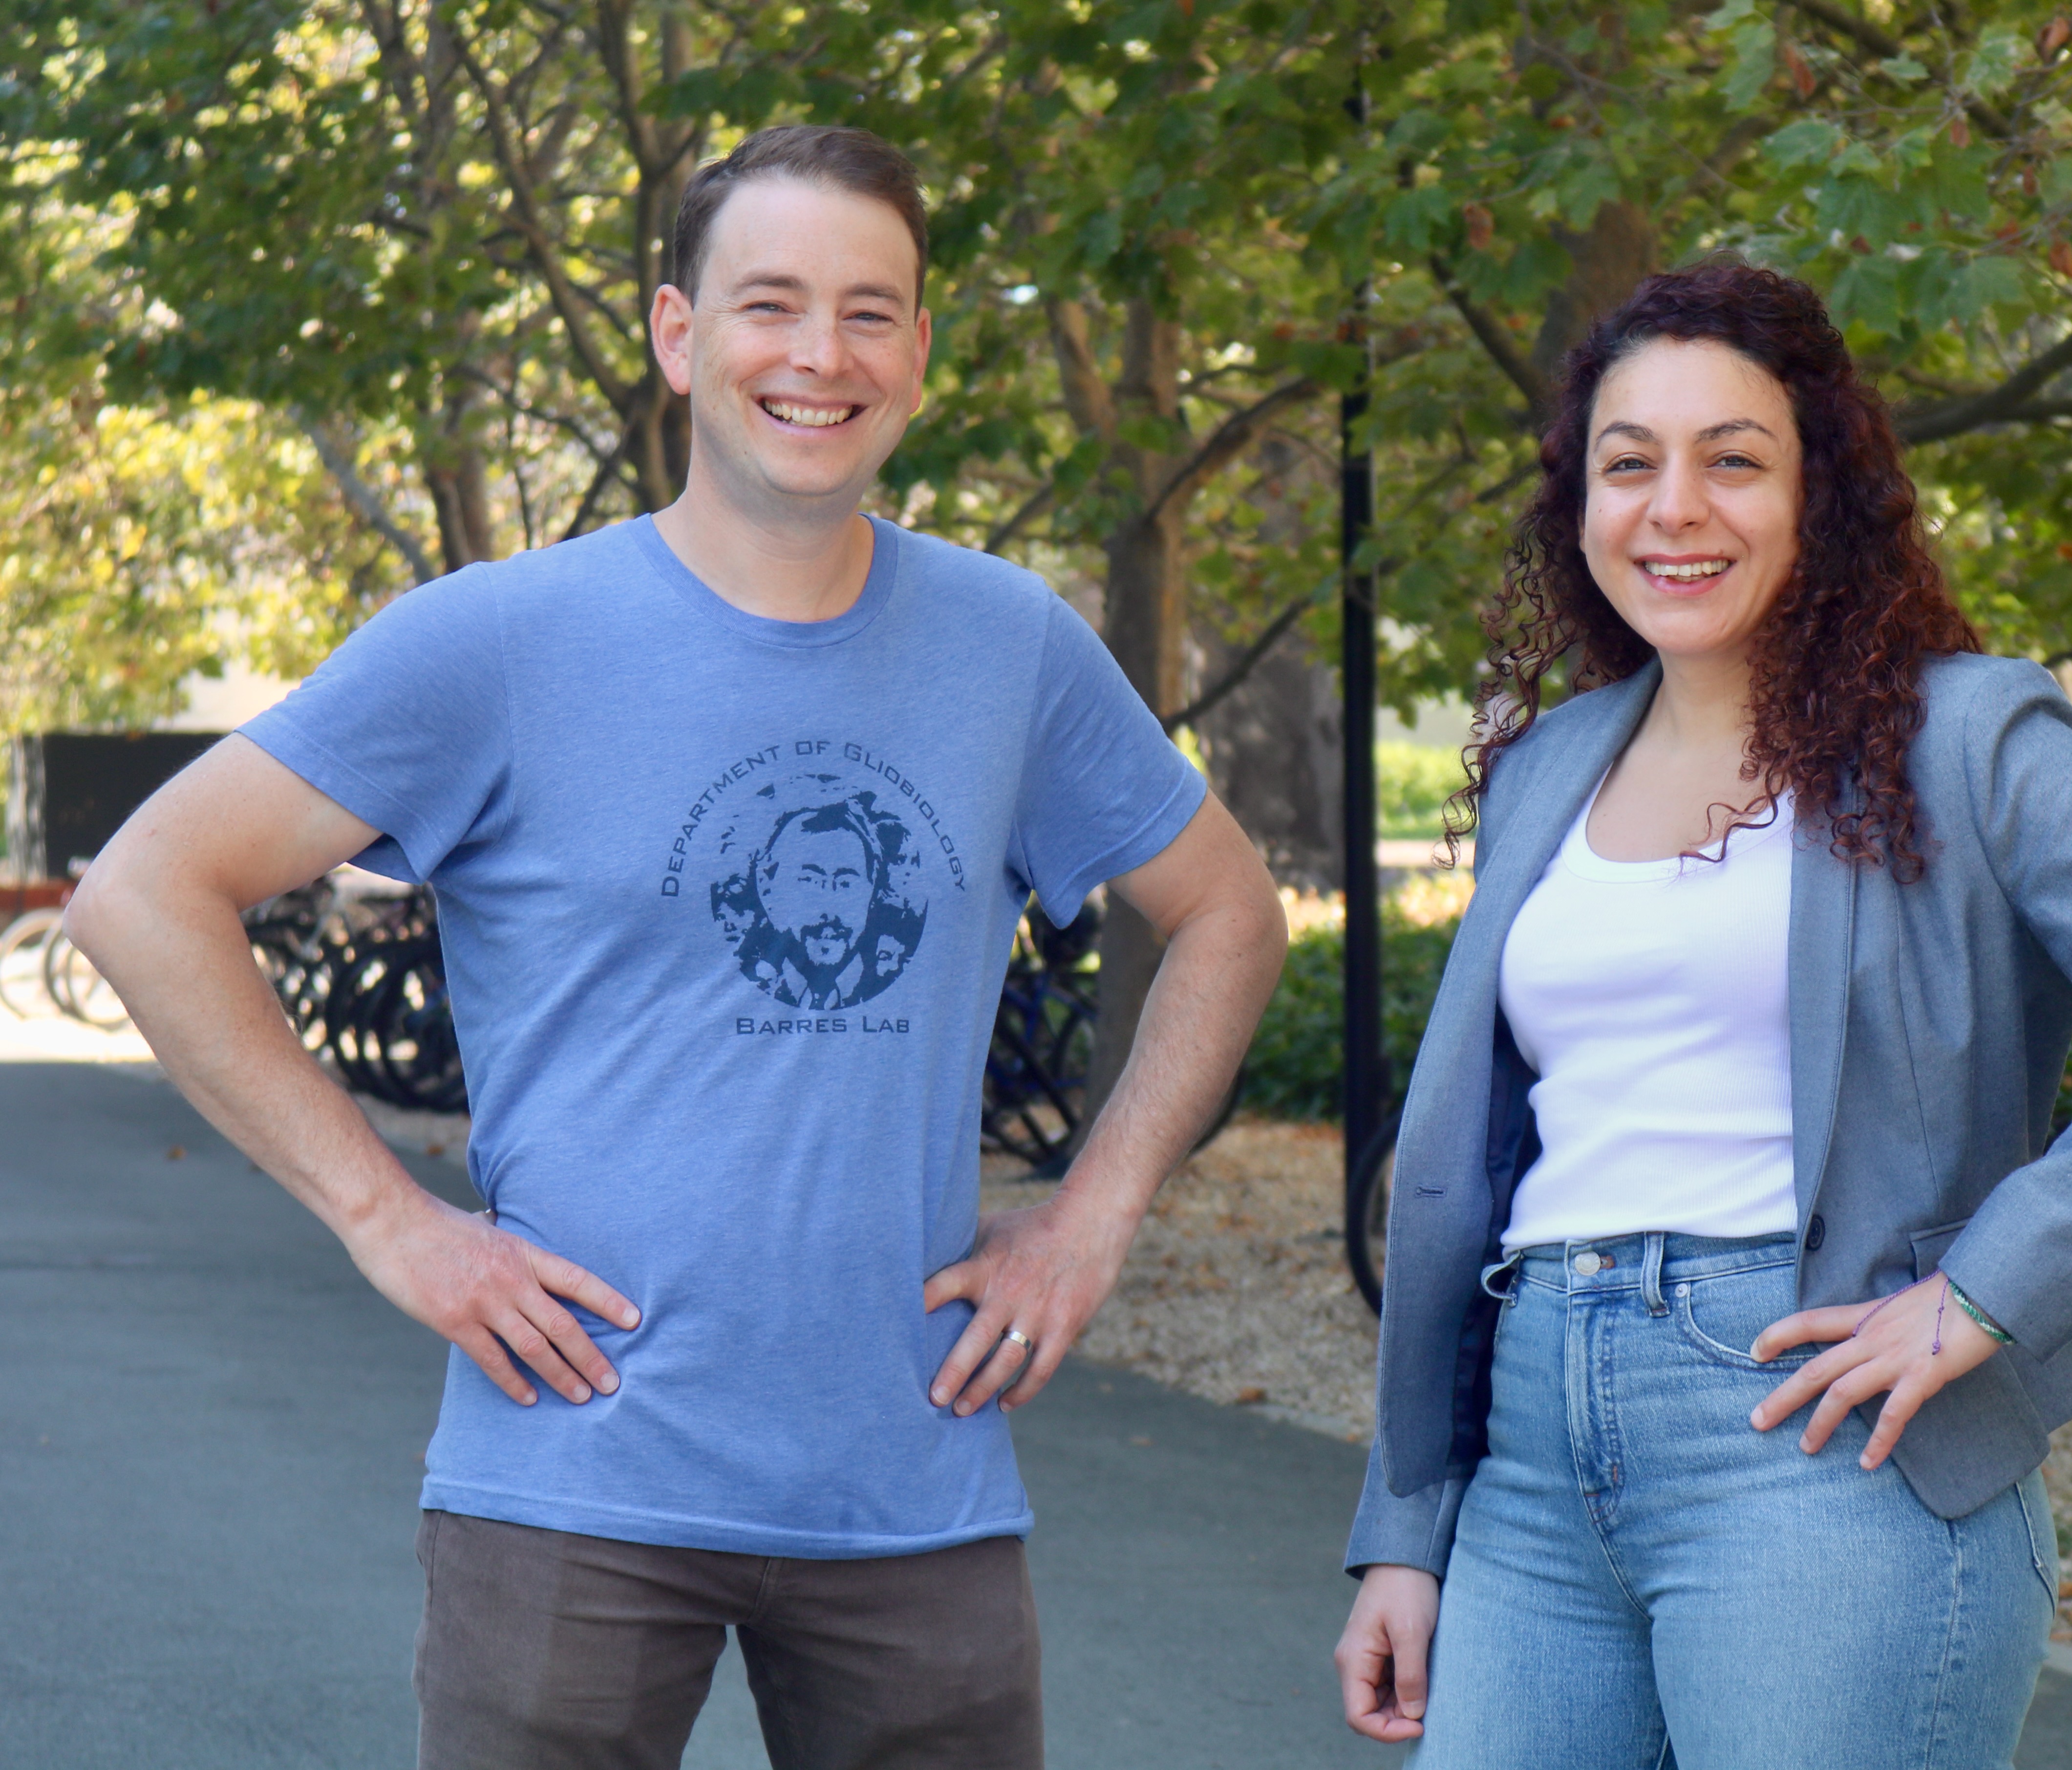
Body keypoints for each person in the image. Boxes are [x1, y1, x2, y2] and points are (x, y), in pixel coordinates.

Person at [67, 123, 1286, 1770]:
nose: (818, 354)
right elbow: (145, 892)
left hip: (914, 1480)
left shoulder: (1014, 649)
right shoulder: (502, 639)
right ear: (676, 333)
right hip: (572, 1480)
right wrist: (390, 1221)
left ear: (919, 351)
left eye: (871, 311)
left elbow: (1228, 912)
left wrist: (1095, 1215)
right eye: (770, 302)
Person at [1331, 260, 2072, 1769]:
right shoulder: (1548, 766)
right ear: (1580, 506)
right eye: (1631, 464)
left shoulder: (1964, 736)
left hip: (1823, 1450)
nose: (1675, 506)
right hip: (1531, 1465)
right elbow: (1483, 1158)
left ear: (1825, 493)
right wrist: (1407, 1529)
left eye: (1733, 459)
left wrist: (1988, 1289)